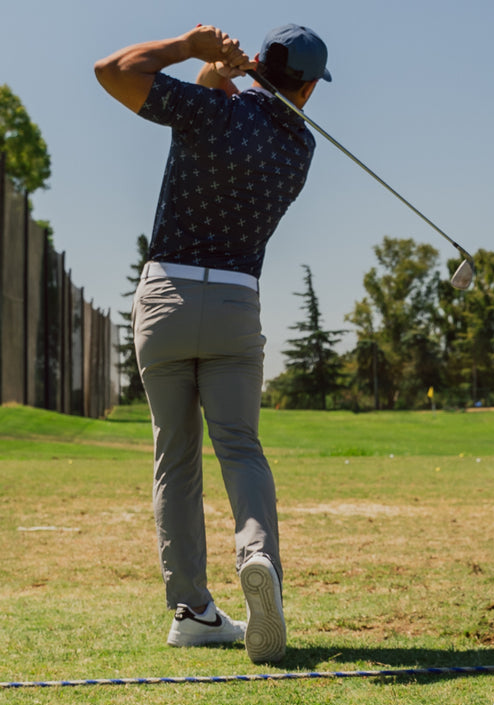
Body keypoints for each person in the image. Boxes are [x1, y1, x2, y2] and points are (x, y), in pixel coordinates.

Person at [94, 23, 331, 663]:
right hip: (233, 304)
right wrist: (226, 71)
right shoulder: (298, 147)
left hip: (165, 299)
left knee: (176, 458)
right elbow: (223, 106)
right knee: (240, 448)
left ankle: (192, 610)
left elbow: (112, 70)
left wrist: (192, 50)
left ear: (260, 70)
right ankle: (257, 556)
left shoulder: (207, 112)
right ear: (307, 89)